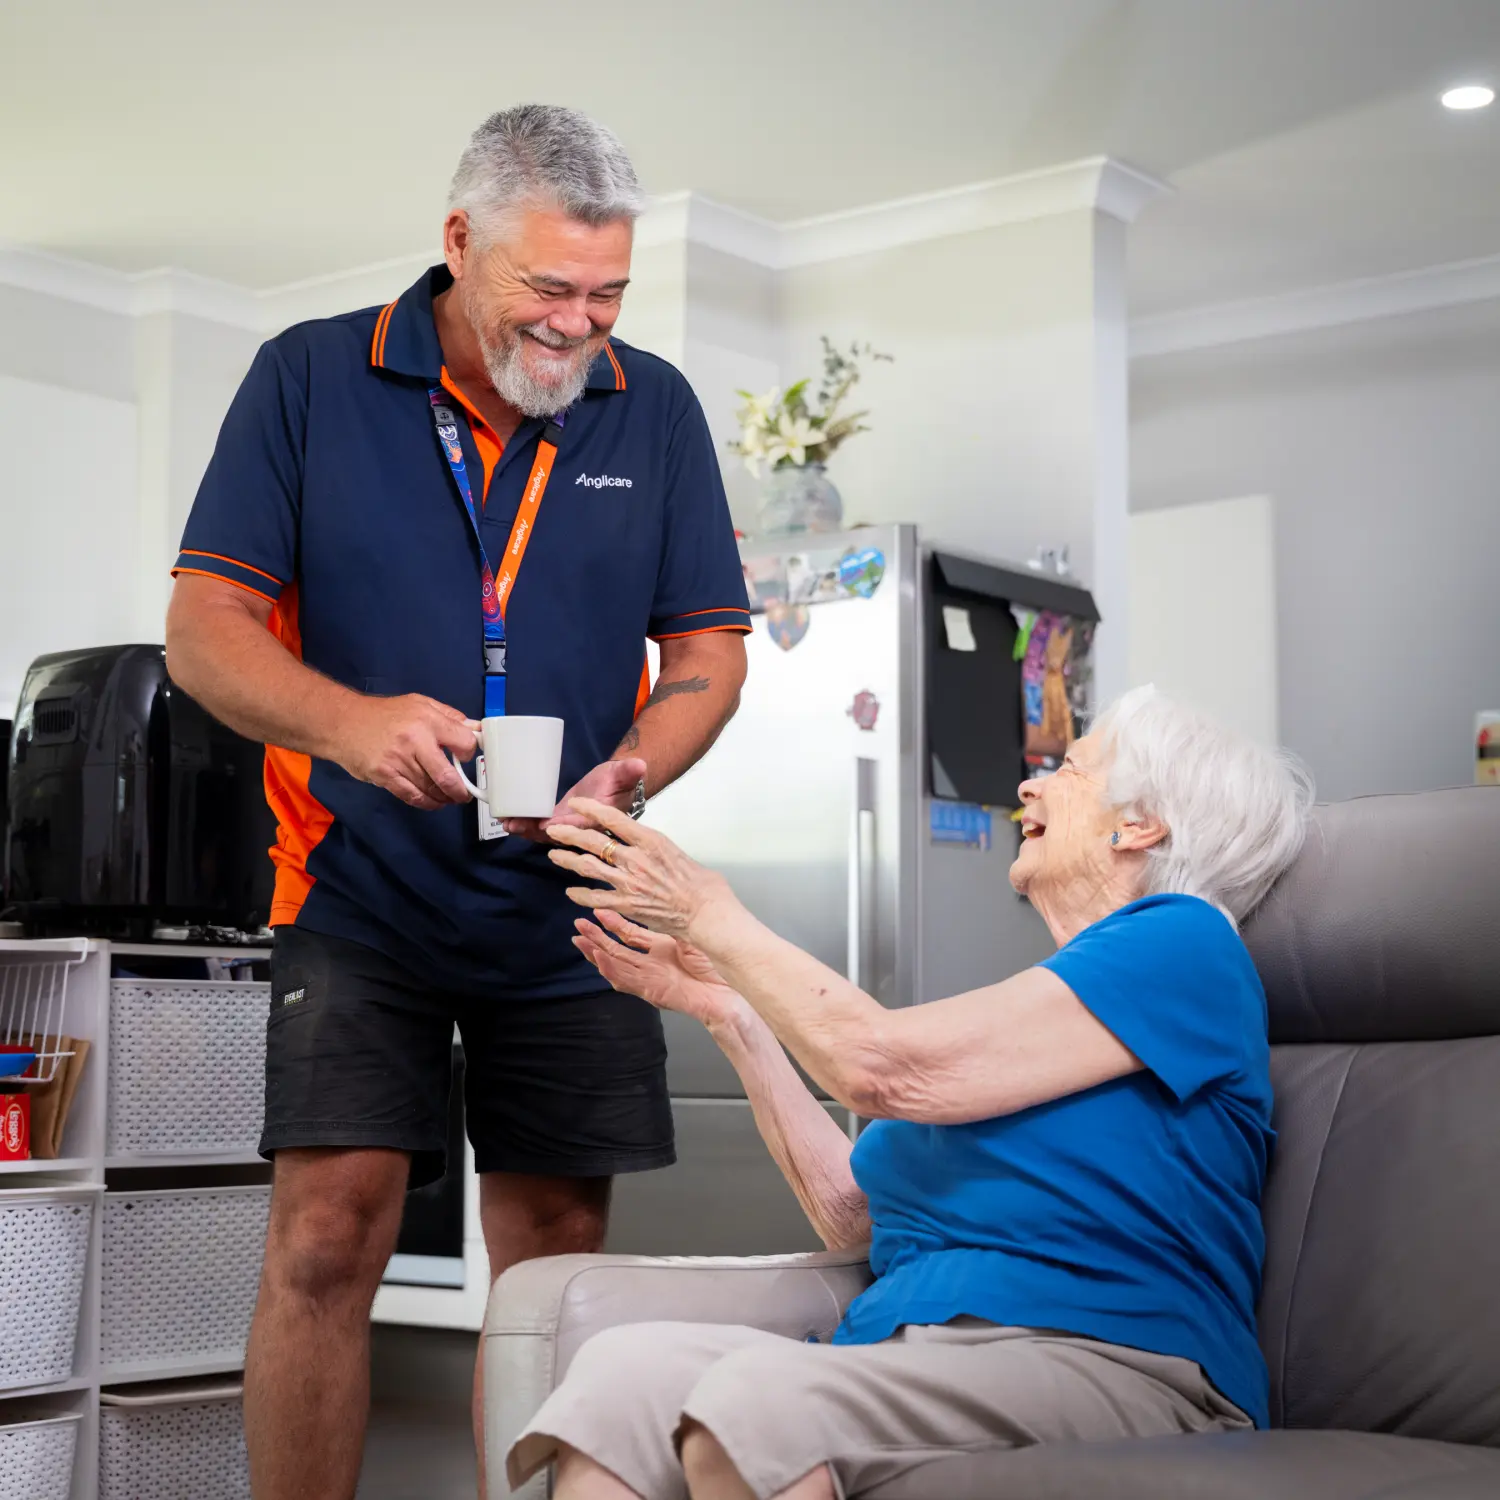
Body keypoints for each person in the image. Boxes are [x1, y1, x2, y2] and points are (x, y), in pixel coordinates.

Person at [163, 105, 750, 1500]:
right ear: (456, 246)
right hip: (356, 885)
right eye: (547, 290)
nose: (577, 328)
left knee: (553, 1264)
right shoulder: (308, 379)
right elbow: (204, 632)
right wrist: (353, 725)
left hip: (571, 901)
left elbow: (712, 657)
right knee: (324, 1235)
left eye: (607, 295)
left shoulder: (650, 406)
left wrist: (633, 770)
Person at [513, 686, 1314, 1500]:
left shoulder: (1184, 942)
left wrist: (709, 912)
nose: (1030, 784)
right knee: (620, 1376)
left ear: (1138, 824)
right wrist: (731, 1012)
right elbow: (853, 1212)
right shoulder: (1035, 1009)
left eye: (1068, 769)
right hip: (914, 1346)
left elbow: (880, 1067)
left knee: (756, 1402)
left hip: (1117, 1356)